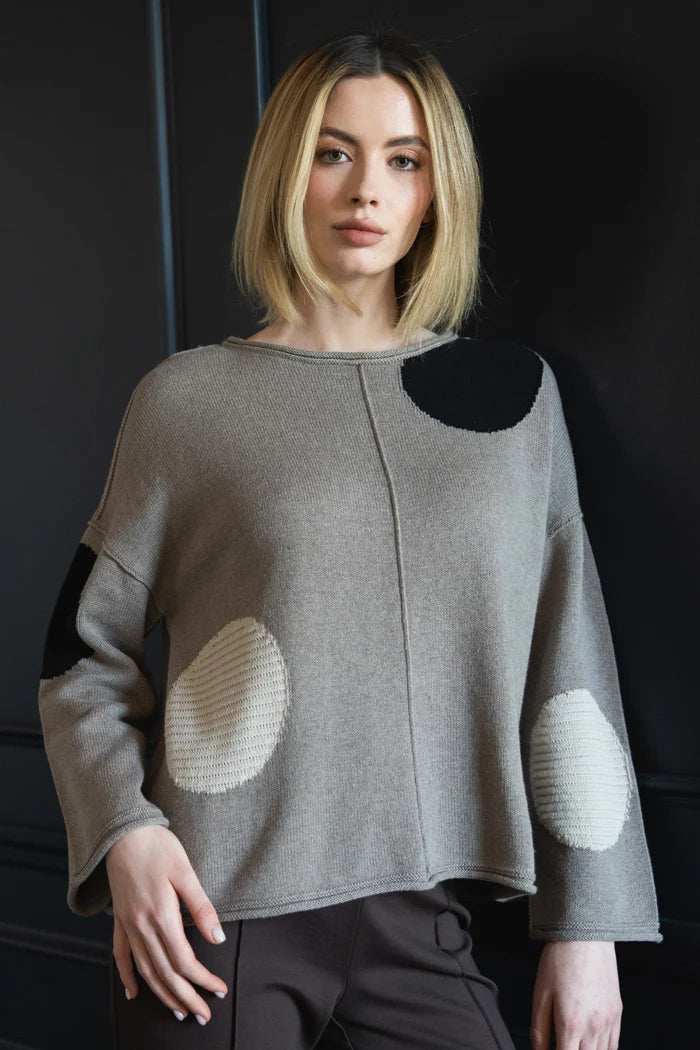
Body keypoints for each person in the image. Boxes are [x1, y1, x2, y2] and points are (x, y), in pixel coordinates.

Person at [37, 30, 662, 1050]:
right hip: (211, 918)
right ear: (287, 172)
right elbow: (81, 654)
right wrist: (125, 835)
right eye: (333, 152)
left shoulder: (513, 401)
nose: (366, 189)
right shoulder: (187, 402)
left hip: (429, 919)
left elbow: (570, 668)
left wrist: (585, 925)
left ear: (436, 190)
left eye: (403, 159)